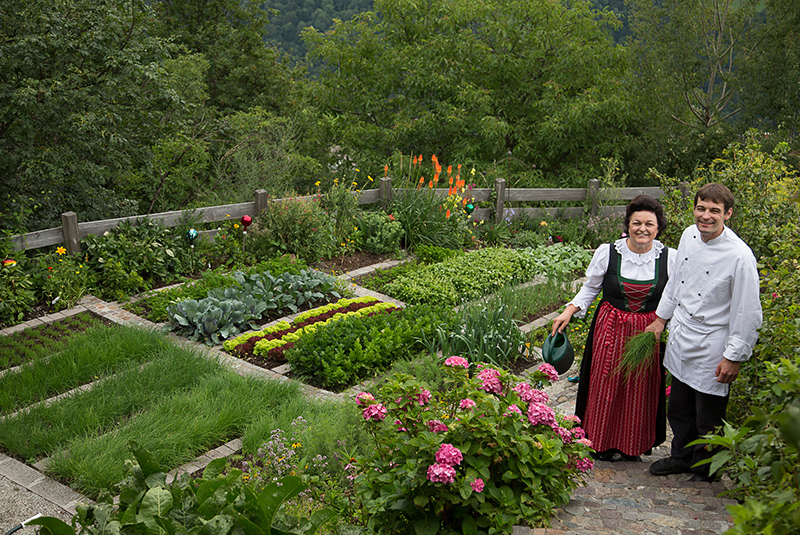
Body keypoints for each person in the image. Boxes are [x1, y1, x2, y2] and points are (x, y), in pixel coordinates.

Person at [646, 183, 762, 482]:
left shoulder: (739, 256)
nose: (706, 216)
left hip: (713, 341)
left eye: (714, 211)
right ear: (694, 208)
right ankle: (681, 456)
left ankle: (706, 467)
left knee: (708, 413)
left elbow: (747, 312)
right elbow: (676, 282)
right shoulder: (688, 235)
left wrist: (734, 356)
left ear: (728, 214)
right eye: (701, 208)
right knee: (680, 406)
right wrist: (661, 319)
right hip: (684, 332)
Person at [551, 195, 675, 461]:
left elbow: (676, 296)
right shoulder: (608, 252)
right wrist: (569, 310)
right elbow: (591, 287)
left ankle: (632, 446)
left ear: (658, 227)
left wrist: (662, 322)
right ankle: (600, 443)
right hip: (610, 325)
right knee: (604, 382)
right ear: (628, 225)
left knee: (639, 386)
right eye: (636, 223)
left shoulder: (670, 258)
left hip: (647, 330)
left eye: (649, 224)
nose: (642, 229)